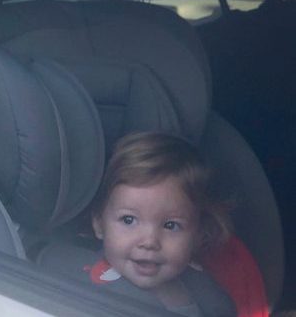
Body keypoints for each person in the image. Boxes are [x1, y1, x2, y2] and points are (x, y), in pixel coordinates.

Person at [90, 131, 235, 316]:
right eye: (129, 220)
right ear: (99, 224)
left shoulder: (208, 298)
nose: (149, 241)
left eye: (170, 225)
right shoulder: (77, 283)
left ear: (198, 234)